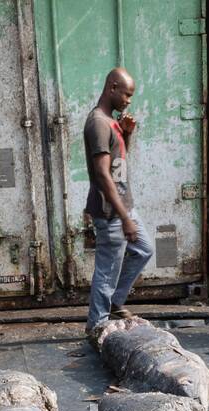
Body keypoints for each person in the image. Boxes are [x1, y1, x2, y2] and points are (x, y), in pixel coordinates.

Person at [84, 67, 153, 333]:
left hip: (124, 205)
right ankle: (97, 328)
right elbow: (102, 174)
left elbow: (118, 164)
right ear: (112, 87)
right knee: (106, 272)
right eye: (126, 94)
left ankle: (115, 302)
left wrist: (127, 134)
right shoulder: (98, 123)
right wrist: (124, 218)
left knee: (143, 250)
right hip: (111, 210)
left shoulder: (112, 122)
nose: (128, 100)